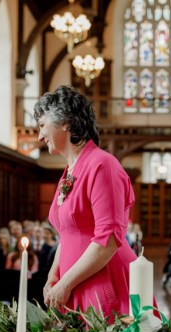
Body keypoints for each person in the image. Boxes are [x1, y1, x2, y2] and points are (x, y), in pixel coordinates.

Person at [35, 86, 137, 319]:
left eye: (42, 125)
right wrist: (54, 275)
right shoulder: (70, 171)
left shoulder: (102, 165)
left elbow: (108, 239)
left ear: (65, 122)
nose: (40, 136)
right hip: (75, 280)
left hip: (102, 279)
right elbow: (67, 234)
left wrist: (65, 283)